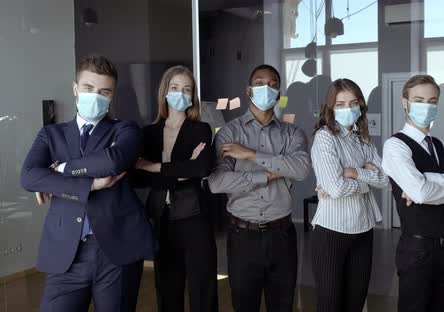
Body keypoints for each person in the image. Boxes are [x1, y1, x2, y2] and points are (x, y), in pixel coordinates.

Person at [20, 54, 154, 311]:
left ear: (112, 95)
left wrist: (58, 171)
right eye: (88, 88)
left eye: (104, 91)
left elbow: (114, 161)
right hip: (65, 254)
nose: (96, 95)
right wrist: (91, 185)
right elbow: (28, 176)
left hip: (116, 252)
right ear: (75, 88)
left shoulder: (126, 130)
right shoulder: (51, 134)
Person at [208, 64, 311, 311]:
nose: (267, 88)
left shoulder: (292, 133)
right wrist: (267, 174)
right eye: (260, 83)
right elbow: (216, 183)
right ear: (249, 90)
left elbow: (301, 169)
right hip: (243, 237)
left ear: (279, 92)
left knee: (282, 305)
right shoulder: (228, 133)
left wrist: (250, 154)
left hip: (282, 235)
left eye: (273, 84)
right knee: (244, 305)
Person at [381, 74, 444, 312]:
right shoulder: (395, 146)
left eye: (432, 101)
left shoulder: (440, 145)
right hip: (418, 250)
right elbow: (421, 193)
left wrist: (429, 179)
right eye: (419, 99)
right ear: (405, 102)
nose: (426, 106)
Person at [132, 66, 218, 311]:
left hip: (194, 217)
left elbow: (200, 170)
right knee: (167, 289)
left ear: (193, 96)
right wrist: (179, 169)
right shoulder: (148, 133)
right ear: (164, 92)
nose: (181, 93)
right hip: (161, 218)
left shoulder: (200, 129)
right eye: (175, 88)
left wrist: (154, 167)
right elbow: (138, 177)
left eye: (187, 89)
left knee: (203, 289)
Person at [311, 78, 390, 312]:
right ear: (330, 108)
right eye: (341, 104)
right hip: (330, 233)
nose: (348, 109)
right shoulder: (325, 137)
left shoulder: (363, 139)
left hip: (363, 230)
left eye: (353, 103)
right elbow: (335, 188)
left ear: (361, 106)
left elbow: (386, 180)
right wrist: (366, 176)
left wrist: (354, 172)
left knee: (355, 303)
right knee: (330, 305)